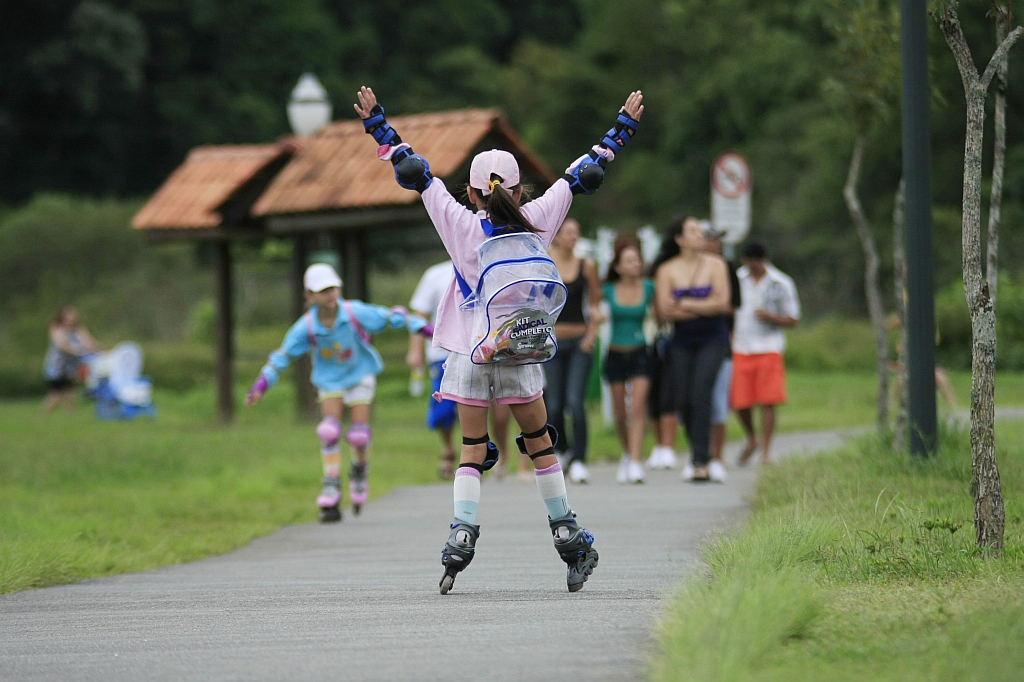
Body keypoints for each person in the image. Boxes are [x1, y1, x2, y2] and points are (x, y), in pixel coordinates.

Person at [353, 85, 643, 593]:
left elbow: (414, 172)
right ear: (520, 189)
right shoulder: (540, 220)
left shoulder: (460, 225)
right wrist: (622, 127)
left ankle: (461, 537)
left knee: (471, 449)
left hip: (470, 353)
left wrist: (378, 124)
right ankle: (570, 537)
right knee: (541, 446)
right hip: (523, 350)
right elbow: (584, 174)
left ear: (472, 193)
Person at [245, 263, 429, 522]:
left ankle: (359, 469)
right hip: (330, 379)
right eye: (322, 290)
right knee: (329, 430)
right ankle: (331, 483)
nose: (330, 294)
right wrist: (260, 387)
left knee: (358, 435)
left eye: (333, 288)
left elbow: (391, 318)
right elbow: (281, 357)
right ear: (310, 296)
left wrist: (428, 331)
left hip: (360, 373)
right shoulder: (306, 327)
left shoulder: (354, 312)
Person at [407, 261, 518, 480]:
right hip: (444, 353)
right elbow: (418, 315)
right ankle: (452, 448)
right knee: (445, 411)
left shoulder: (490, 267)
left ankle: (499, 451)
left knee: (499, 409)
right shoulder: (435, 274)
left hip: (488, 349)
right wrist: (415, 350)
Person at [653, 216, 733, 482]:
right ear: (679, 239)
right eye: (694, 231)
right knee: (684, 398)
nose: (701, 235)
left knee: (702, 393)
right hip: (680, 341)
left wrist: (684, 304)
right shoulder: (667, 270)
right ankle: (697, 453)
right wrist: (702, 305)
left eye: (701, 231)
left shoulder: (717, 264)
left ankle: (702, 459)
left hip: (713, 338)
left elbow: (722, 303)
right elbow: (664, 311)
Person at [544, 218, 602, 484]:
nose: (573, 237)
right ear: (555, 236)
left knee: (575, 402)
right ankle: (561, 450)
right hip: (552, 342)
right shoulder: (544, 263)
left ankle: (579, 458)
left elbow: (596, 305)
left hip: (580, 340)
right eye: (568, 232)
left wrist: (591, 335)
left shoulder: (586, 266)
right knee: (554, 403)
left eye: (576, 233)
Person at [731, 242, 800, 466]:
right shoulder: (737, 280)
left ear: (763, 261)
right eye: (748, 262)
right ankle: (752, 438)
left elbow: (793, 319)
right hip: (741, 346)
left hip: (769, 347)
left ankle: (766, 452)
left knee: (768, 400)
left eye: (755, 262)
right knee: (740, 402)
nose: (751, 267)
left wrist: (771, 317)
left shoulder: (781, 283)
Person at [603, 238, 655, 484]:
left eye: (637, 260)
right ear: (618, 266)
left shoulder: (649, 287)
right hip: (615, 352)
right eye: (629, 261)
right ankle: (626, 453)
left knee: (636, 408)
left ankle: (635, 461)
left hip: (640, 352)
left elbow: (661, 312)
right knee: (620, 413)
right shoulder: (608, 290)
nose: (635, 264)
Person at [700, 222, 742, 483]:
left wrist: (696, 303)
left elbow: (731, 305)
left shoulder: (727, 267)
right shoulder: (686, 268)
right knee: (696, 399)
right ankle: (701, 454)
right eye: (710, 239)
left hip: (720, 342)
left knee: (717, 401)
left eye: (717, 240)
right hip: (690, 341)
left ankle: (716, 456)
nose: (714, 244)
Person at [43, 305, 101, 412]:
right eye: (68, 319)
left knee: (69, 392)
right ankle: (43, 417)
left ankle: (68, 418)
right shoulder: (56, 329)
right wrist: (78, 351)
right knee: (55, 395)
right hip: (57, 367)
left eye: (72, 319)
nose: (70, 322)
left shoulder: (78, 330)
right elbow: (62, 345)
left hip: (70, 366)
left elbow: (89, 343)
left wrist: (99, 349)